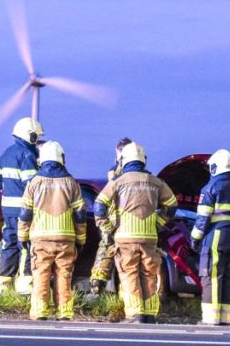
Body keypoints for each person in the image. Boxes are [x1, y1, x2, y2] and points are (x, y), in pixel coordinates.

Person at [94, 142, 178, 323]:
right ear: (143, 160)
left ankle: (135, 314)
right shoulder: (156, 182)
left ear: (123, 160)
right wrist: (157, 223)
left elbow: (99, 205)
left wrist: (108, 228)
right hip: (149, 237)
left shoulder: (118, 182)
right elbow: (172, 205)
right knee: (148, 274)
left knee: (129, 273)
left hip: (125, 237)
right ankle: (150, 314)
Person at [18, 141, 87, 320]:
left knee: (41, 274)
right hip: (65, 239)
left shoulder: (34, 182)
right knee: (64, 275)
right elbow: (80, 215)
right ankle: (64, 313)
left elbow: (25, 214)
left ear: (42, 159)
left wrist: (22, 237)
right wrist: (81, 239)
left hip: (40, 239)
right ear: (61, 158)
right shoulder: (71, 183)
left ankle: (40, 312)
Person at [190, 150, 230, 325]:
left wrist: (194, 239)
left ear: (215, 167)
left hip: (216, 235)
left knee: (211, 275)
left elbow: (203, 219)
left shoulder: (210, 188)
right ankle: (225, 318)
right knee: (229, 276)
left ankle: (211, 318)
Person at [0, 117, 44, 294]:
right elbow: (32, 184)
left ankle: (2, 287)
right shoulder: (27, 155)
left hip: (7, 210)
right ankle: (25, 287)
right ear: (30, 136)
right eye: (37, 137)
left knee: (9, 245)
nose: (37, 141)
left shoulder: (7, 153)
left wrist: (3, 186)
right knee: (25, 246)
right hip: (24, 210)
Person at [89, 137, 133, 293]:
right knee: (109, 251)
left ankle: (98, 287)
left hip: (116, 220)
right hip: (125, 221)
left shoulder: (117, 172)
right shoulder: (121, 171)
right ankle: (99, 287)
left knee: (107, 251)